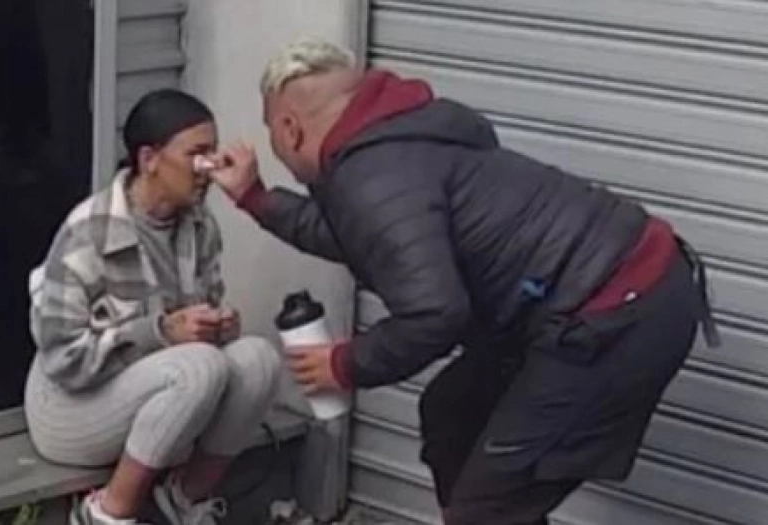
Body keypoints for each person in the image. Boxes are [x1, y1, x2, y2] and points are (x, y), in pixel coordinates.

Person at [209, 38, 719, 525]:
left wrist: (344, 364)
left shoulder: (371, 175)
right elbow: (367, 236)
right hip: (587, 297)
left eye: (270, 130)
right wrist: (256, 197)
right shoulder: (394, 137)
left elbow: (435, 314)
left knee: (487, 506)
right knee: (454, 416)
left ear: (290, 128)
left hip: (617, 307)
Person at [24, 89, 282, 525]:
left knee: (259, 359)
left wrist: (217, 327)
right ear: (150, 159)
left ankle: (183, 501)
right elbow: (64, 359)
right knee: (199, 366)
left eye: (212, 153)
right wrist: (160, 332)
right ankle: (106, 513)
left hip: (155, 400)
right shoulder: (89, 230)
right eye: (196, 154)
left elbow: (191, 332)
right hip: (70, 407)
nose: (208, 168)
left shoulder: (199, 226)